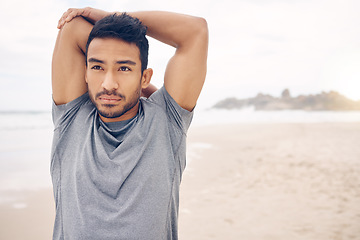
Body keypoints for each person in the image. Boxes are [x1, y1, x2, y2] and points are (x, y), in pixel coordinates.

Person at [51, 7, 208, 240]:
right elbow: (72, 28)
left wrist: (114, 18)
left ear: (144, 77)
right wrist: (116, 29)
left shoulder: (166, 120)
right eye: (97, 67)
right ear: (85, 72)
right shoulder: (71, 119)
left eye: (124, 68)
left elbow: (196, 31)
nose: (108, 83)